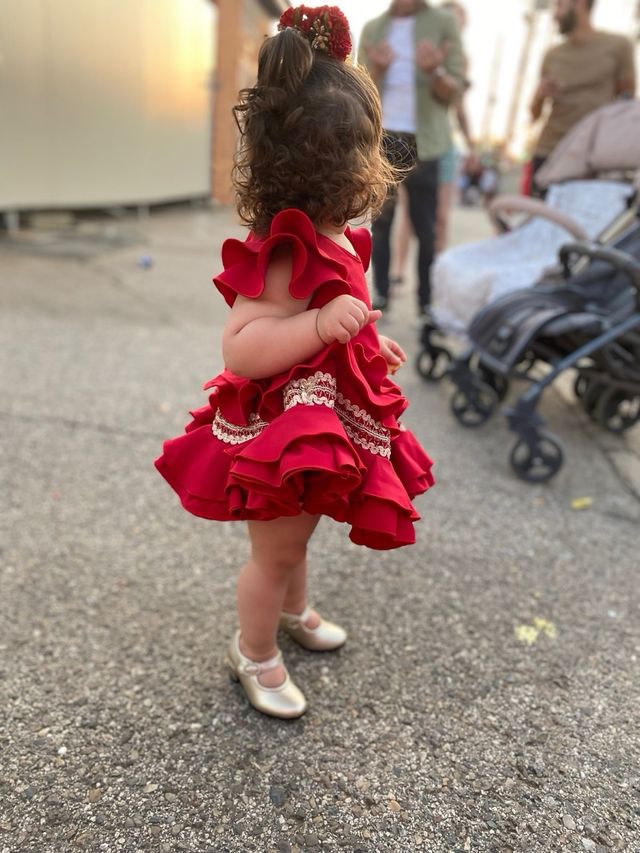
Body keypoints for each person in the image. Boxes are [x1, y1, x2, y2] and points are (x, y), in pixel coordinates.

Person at [154, 6, 435, 721]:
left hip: (317, 425)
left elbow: (342, 315)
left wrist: (364, 343)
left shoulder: (338, 234)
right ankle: (253, 650)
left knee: (300, 532)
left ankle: (291, 609)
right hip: (280, 434)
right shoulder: (285, 247)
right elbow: (242, 346)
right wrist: (315, 323)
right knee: (274, 551)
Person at [358, 0, 465, 316]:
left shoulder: (444, 23)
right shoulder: (373, 28)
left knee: (426, 228)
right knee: (381, 224)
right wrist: (377, 70)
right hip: (383, 138)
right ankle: (381, 294)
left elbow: (454, 92)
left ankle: (425, 302)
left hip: (425, 142)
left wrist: (435, 72)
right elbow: (358, 91)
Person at [529, 0, 636, 194]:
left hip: (590, 159)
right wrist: (540, 94)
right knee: (537, 211)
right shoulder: (552, 55)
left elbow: (626, 103)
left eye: (559, 5)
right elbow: (534, 115)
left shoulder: (618, 46)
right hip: (549, 151)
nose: (555, 15)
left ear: (579, 4)